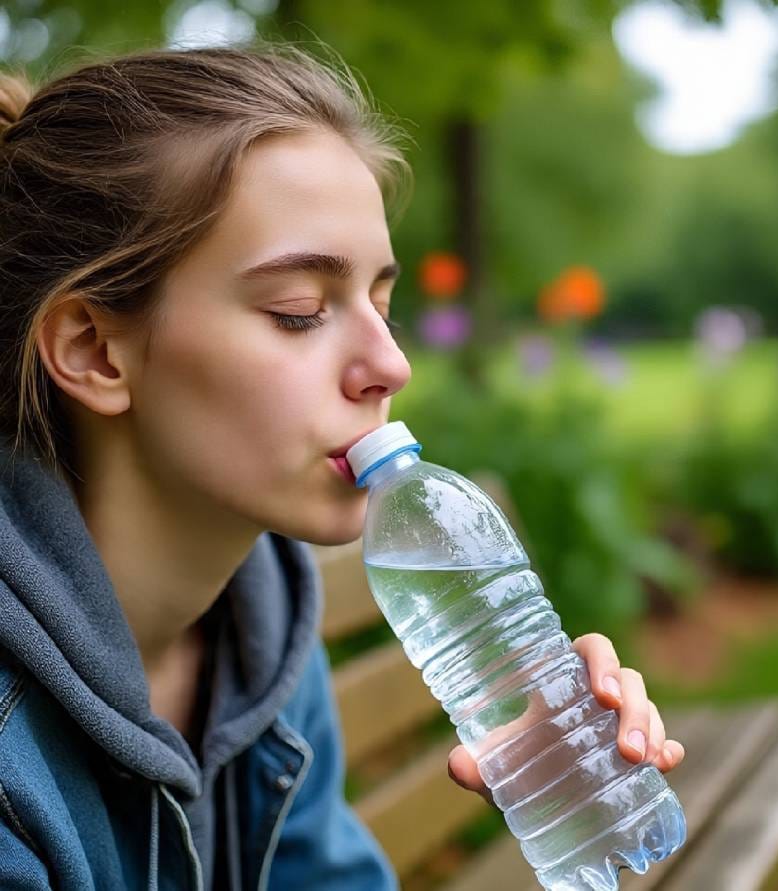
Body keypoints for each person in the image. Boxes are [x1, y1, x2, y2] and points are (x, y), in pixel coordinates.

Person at [0, 41, 685, 890]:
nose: (391, 364)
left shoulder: (262, 618)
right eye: (298, 312)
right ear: (96, 350)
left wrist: (561, 790)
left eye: (382, 302)